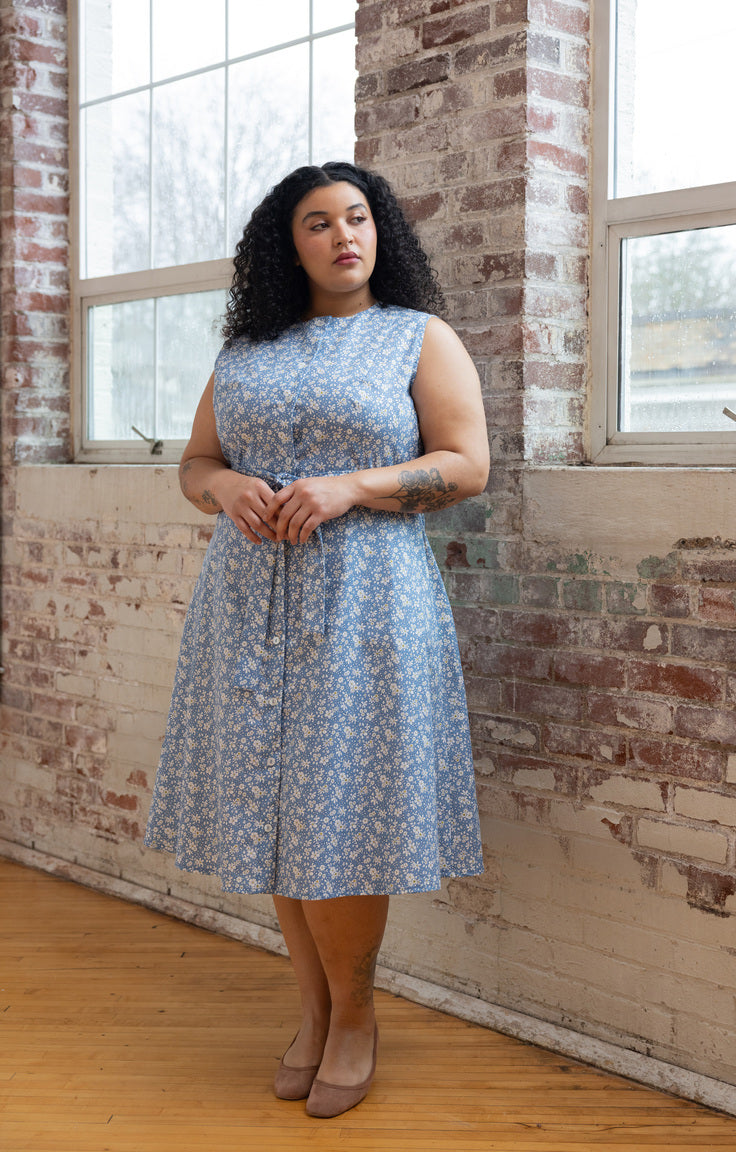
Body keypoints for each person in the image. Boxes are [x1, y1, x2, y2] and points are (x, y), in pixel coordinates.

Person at [144, 161, 489, 1119]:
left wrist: (351, 487)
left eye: (358, 217)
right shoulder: (246, 351)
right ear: (285, 244)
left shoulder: (417, 336)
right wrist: (224, 487)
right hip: (247, 601)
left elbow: (468, 465)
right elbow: (197, 463)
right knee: (276, 808)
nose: (344, 235)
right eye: (318, 222)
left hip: (366, 604)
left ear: (381, 233)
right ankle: (313, 1010)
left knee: (343, 814)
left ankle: (357, 1018)